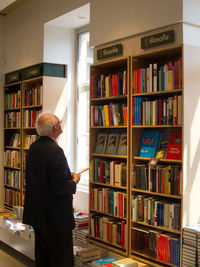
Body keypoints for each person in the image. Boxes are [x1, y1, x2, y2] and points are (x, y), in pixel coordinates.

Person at [22, 113, 80, 267]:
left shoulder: (34, 148)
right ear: (55, 128)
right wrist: (74, 180)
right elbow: (61, 186)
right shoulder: (55, 151)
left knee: (43, 256)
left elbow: (41, 179)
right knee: (61, 259)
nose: (61, 126)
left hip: (38, 214)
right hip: (56, 217)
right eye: (60, 123)